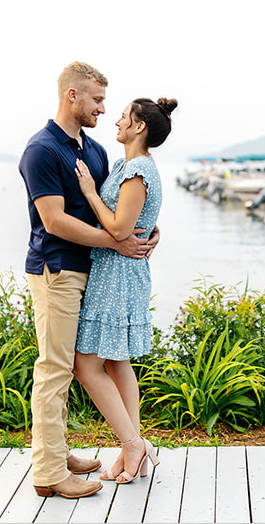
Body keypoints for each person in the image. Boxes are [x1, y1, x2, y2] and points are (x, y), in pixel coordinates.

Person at [18, 62, 157, 500]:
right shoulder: (41, 150)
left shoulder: (95, 152)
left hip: (94, 273)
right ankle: (49, 472)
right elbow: (54, 220)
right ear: (72, 96)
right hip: (56, 270)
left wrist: (146, 231)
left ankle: (57, 455)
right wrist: (118, 243)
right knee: (56, 369)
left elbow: (120, 210)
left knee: (79, 365)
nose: (103, 107)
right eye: (97, 99)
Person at [72, 98, 176, 484]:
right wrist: (153, 233)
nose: (116, 120)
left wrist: (89, 192)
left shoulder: (137, 171)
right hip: (118, 270)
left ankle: (133, 443)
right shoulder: (127, 166)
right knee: (116, 362)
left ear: (138, 128)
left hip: (118, 274)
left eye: (123, 117)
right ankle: (134, 450)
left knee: (86, 365)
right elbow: (137, 224)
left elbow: (119, 229)